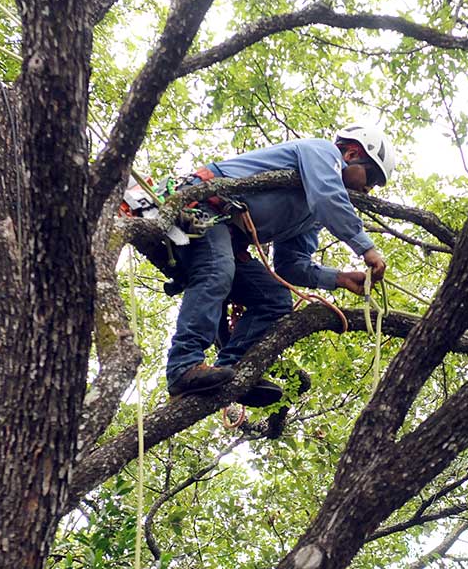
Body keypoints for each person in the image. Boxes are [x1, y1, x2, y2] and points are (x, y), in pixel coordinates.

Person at [164, 124, 396, 406]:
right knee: (216, 269)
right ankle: (183, 366)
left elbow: (290, 265)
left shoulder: (312, 215)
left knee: (274, 298)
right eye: (370, 176)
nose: (368, 189)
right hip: (204, 206)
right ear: (350, 153)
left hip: (227, 235)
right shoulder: (321, 151)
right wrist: (366, 248)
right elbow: (328, 196)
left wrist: (338, 278)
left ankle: (233, 373)